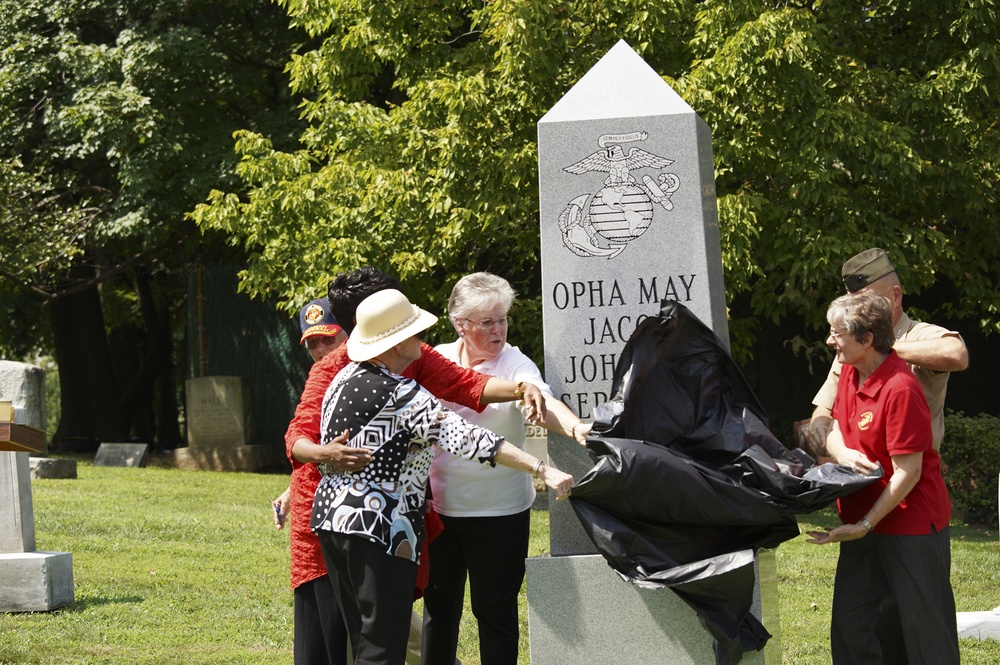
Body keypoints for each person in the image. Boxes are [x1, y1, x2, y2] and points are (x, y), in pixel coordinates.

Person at [282, 267, 554, 665]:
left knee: (369, 637)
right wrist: (324, 454)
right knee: (335, 645)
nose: (419, 331)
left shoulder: (395, 362)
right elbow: (297, 438)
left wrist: (521, 386)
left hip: (345, 516)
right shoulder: (353, 376)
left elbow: (467, 385)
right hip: (357, 521)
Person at [421, 272, 590, 665]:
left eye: (503, 319)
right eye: (487, 322)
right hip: (440, 512)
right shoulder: (437, 360)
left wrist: (575, 426)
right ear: (460, 324)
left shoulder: (515, 363)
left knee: (494, 614)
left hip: (499, 514)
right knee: (439, 613)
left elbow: (540, 404)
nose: (499, 329)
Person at [805, 292, 959, 665]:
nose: (830, 340)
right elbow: (833, 424)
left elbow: (910, 471)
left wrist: (866, 522)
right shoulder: (851, 372)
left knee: (926, 637)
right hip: (861, 523)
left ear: (867, 338)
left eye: (837, 333)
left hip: (910, 524)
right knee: (851, 629)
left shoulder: (901, 388)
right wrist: (841, 453)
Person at [809, 247, 968, 458]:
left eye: (866, 301)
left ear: (894, 296)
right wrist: (822, 431)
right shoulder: (852, 343)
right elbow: (824, 408)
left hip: (910, 473)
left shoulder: (917, 334)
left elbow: (957, 354)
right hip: (855, 473)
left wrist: (879, 346)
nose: (856, 310)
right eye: (853, 303)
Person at [271, 298, 351, 665]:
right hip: (311, 518)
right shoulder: (318, 380)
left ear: (349, 334)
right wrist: (292, 489)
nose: (320, 350)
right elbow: (305, 441)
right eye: (313, 343)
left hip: (346, 520)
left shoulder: (362, 377)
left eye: (328, 339)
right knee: (317, 622)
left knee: (349, 627)